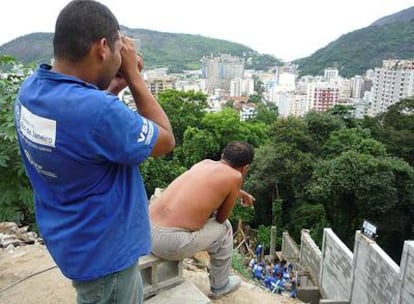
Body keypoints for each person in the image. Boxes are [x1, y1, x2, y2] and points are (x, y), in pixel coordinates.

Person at [14, 1, 174, 303]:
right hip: (106, 255)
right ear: (102, 47)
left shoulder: (30, 91)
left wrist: (112, 90)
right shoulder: (98, 112)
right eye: (118, 49)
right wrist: (135, 78)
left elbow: (76, 131)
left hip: (73, 240)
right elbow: (165, 140)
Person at [149, 141, 255, 299]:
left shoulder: (205, 163)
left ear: (222, 156)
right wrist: (233, 195)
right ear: (245, 168)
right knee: (225, 228)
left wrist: (239, 193)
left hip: (145, 231)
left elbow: (209, 184)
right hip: (168, 243)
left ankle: (220, 281)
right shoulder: (236, 176)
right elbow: (221, 217)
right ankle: (220, 285)